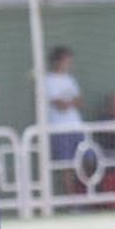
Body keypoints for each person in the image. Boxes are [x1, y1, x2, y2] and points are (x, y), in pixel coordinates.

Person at [42, 46, 86, 195]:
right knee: (66, 165)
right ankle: (73, 201)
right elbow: (60, 105)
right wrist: (69, 102)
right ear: (57, 61)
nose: (68, 63)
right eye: (65, 60)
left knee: (86, 161)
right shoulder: (47, 80)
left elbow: (79, 101)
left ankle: (86, 197)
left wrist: (70, 102)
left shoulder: (70, 79)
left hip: (77, 128)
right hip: (59, 129)